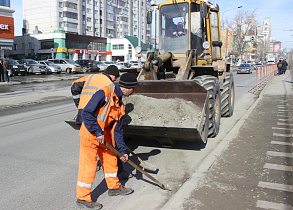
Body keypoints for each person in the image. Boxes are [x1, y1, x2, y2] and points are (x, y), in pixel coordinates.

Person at [76, 73, 138, 209]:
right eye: (133, 89)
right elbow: (86, 113)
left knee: (111, 161)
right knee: (89, 167)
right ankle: (83, 198)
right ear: (127, 87)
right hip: (91, 135)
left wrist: (122, 152)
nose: (134, 92)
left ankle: (114, 188)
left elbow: (118, 131)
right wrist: (97, 131)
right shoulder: (104, 93)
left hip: (105, 138)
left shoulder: (119, 103)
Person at [71, 65, 131, 180]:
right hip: (93, 117)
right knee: (95, 151)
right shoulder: (109, 85)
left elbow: (74, 86)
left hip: (86, 114)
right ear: (112, 75)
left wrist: (79, 105)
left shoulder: (90, 77)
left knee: (102, 151)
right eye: (116, 78)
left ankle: (114, 182)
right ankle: (119, 171)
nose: (115, 80)